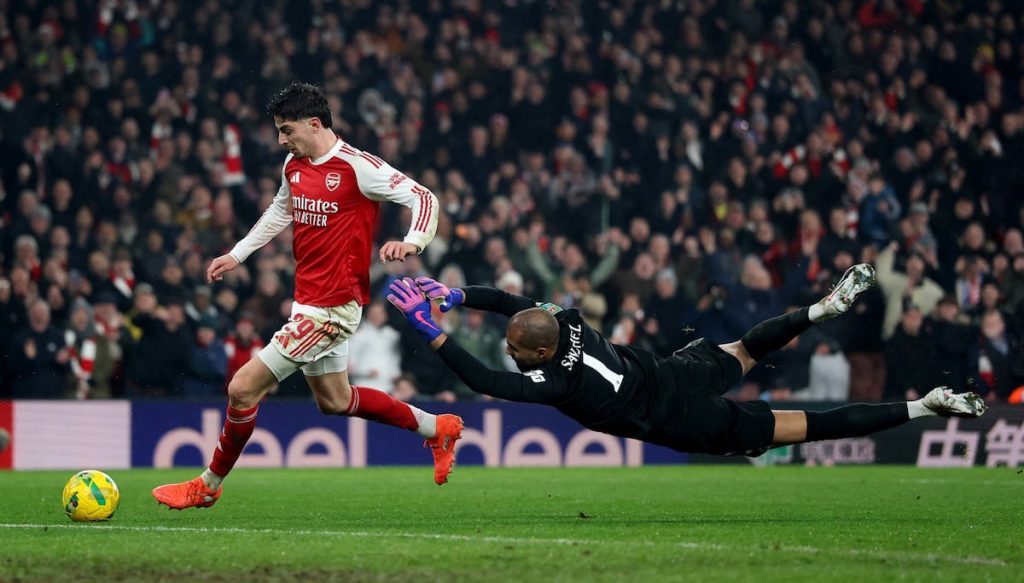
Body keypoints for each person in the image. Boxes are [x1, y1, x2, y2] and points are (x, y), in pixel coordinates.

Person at [152, 82, 463, 510]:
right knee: (336, 401)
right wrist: (237, 254)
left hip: (333, 310)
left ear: (314, 124)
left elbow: (423, 197)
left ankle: (208, 485)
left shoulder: (358, 167)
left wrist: (413, 242)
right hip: (308, 301)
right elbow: (280, 210)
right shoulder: (293, 165)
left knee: (242, 388)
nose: (282, 140)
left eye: (287, 130)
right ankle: (437, 428)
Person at [387, 263, 986, 459]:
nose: (509, 349)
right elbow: (512, 303)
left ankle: (925, 406)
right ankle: (820, 309)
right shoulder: (566, 319)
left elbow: (485, 379)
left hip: (680, 418)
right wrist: (458, 296)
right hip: (676, 371)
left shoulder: (553, 382)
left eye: (516, 348)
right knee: (748, 347)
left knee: (810, 426)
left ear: (538, 354)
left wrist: (431, 331)